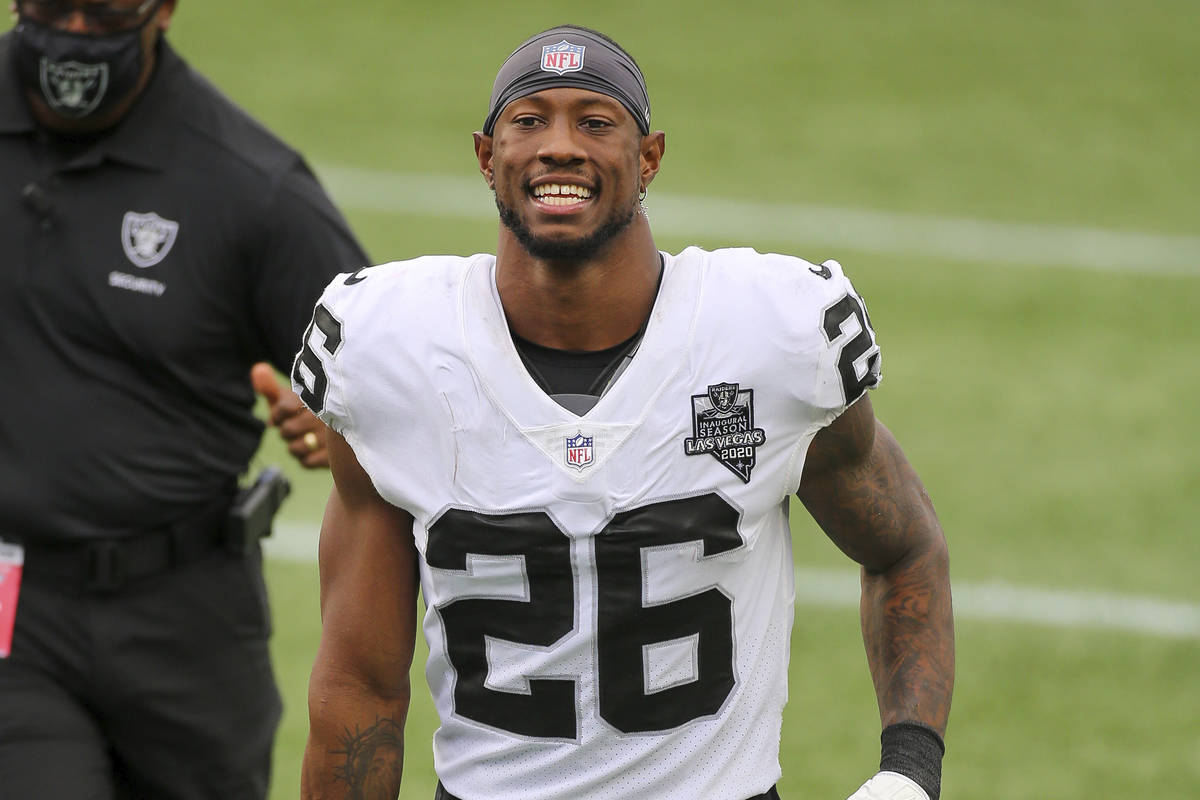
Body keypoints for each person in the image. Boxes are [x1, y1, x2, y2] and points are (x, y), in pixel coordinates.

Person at [296, 24, 953, 800]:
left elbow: (904, 550)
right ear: (487, 157)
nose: (560, 146)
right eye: (529, 120)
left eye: (595, 121)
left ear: (649, 158)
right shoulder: (391, 350)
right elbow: (360, 684)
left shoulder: (768, 336)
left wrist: (909, 772)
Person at [0, 1, 369, 798]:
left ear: (163, 9)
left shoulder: (250, 183)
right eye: (52, 5)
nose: (75, 31)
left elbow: (379, 372)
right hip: (12, 608)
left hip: (190, 616)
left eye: (104, 11)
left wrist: (334, 417)